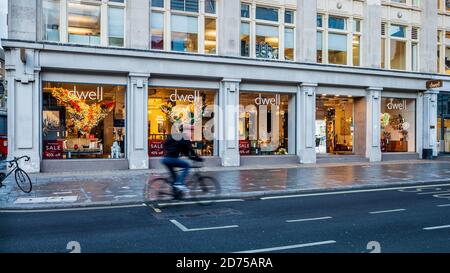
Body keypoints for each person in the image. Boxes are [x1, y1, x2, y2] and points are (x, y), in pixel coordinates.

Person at [161, 126, 203, 193]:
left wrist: (170, 150)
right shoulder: (185, 138)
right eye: (191, 131)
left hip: (165, 159)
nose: (192, 133)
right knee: (187, 165)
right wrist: (198, 159)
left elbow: (186, 153)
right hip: (171, 159)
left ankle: (176, 194)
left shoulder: (176, 136)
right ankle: (180, 183)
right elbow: (191, 151)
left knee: (175, 178)